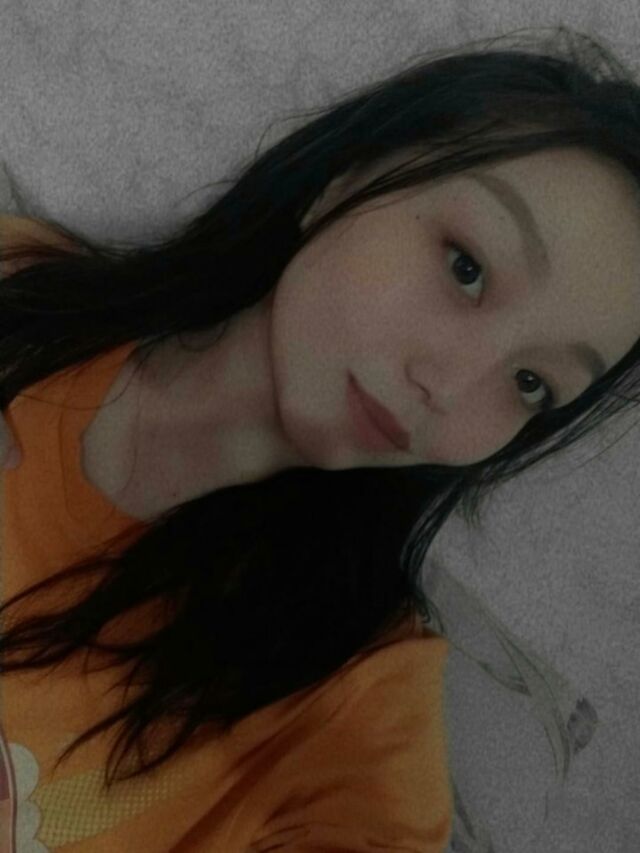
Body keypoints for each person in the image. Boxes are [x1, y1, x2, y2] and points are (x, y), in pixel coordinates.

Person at [1, 23, 640, 852]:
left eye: (531, 383)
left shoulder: (357, 711)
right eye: (467, 267)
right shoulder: (22, 291)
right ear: (347, 178)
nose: (447, 387)